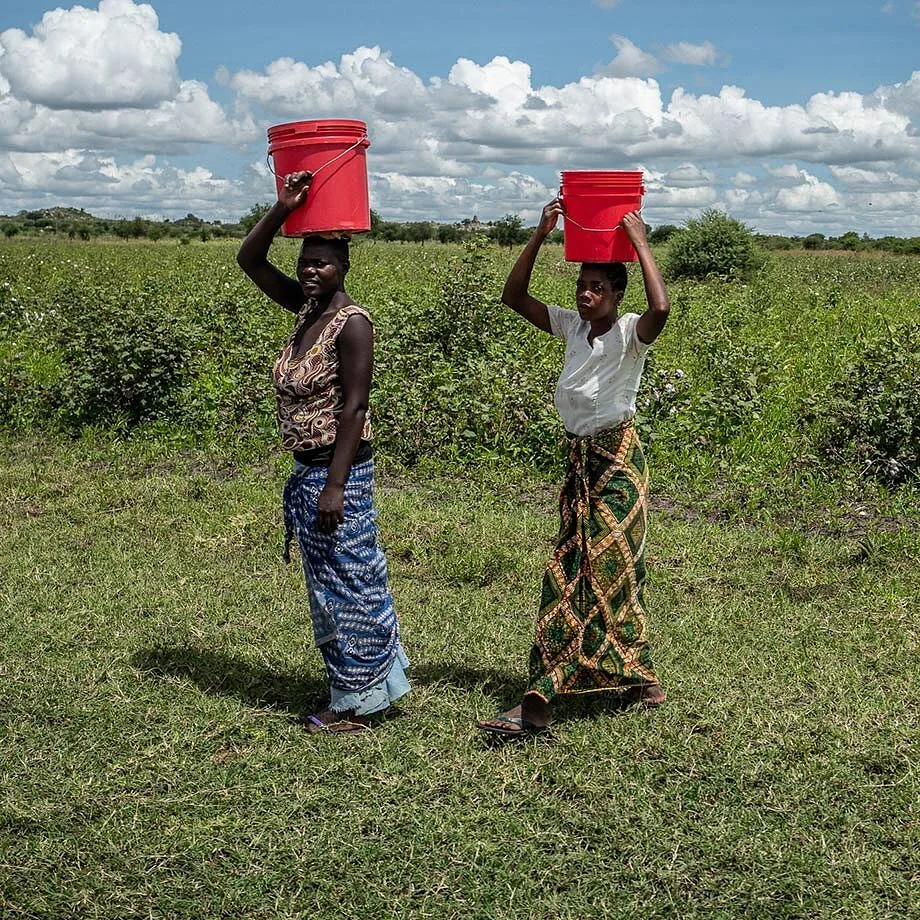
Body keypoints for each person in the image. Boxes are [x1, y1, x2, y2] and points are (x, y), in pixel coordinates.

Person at [477, 199, 669, 738]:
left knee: (596, 574)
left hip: (619, 466)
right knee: (595, 570)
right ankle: (639, 679)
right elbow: (513, 297)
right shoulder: (569, 327)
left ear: (617, 295)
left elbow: (662, 310)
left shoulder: (630, 333)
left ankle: (539, 698)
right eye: (581, 286)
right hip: (580, 466)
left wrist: (642, 245)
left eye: (597, 288)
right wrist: (540, 235)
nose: (585, 295)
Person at [237, 171, 410, 734]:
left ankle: (355, 703)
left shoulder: (351, 325)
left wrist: (335, 486)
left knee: (351, 583)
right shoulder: (306, 310)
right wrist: (283, 207)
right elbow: (250, 259)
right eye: (305, 261)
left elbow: (355, 411)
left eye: (323, 262)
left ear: (344, 267)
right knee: (333, 584)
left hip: (340, 474)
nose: (311, 270)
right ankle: (364, 684)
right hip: (308, 471)